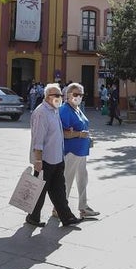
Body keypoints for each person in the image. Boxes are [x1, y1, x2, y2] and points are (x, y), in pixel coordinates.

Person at [26, 83, 80, 229]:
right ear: (47, 97)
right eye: (56, 96)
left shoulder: (54, 110)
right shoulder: (41, 112)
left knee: (58, 190)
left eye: (60, 96)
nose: (59, 98)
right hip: (45, 160)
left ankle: (67, 217)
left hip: (57, 158)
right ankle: (33, 217)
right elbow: (38, 139)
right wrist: (38, 160)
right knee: (40, 190)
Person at [60, 82, 99, 219]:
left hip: (81, 151)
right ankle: (59, 208)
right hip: (71, 151)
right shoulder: (65, 110)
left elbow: (82, 127)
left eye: (81, 95)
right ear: (68, 95)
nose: (78, 97)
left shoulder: (77, 108)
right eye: (75, 94)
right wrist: (79, 135)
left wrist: (87, 138)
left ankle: (83, 207)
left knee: (83, 180)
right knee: (67, 180)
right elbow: (63, 133)